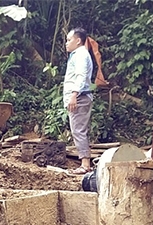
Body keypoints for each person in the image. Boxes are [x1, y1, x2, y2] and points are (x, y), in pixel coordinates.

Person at [64, 28, 94, 175]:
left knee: (78, 130)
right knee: (78, 129)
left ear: (78, 40)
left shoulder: (81, 55)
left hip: (80, 97)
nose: (66, 43)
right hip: (79, 96)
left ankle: (85, 164)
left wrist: (74, 95)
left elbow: (81, 76)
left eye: (69, 40)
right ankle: (85, 162)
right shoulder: (78, 54)